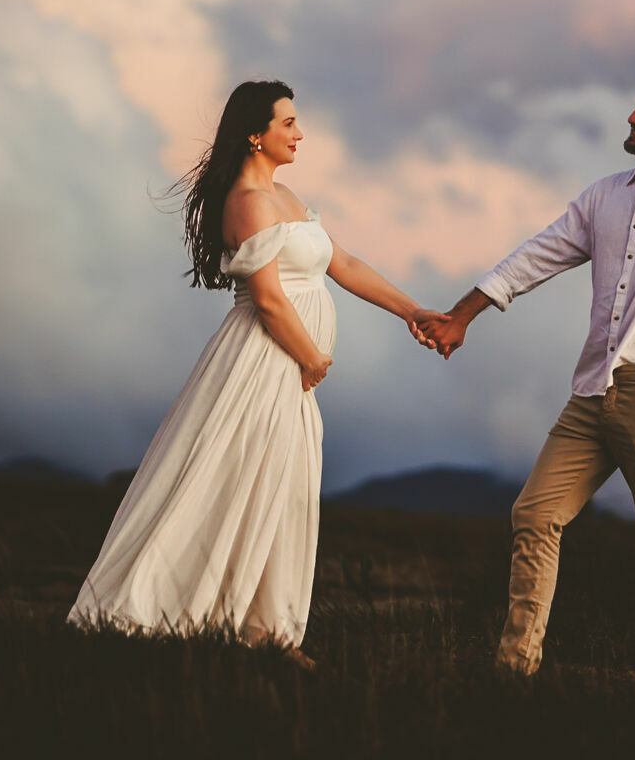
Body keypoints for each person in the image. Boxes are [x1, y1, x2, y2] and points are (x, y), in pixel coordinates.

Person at [68, 79, 433, 663]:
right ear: (255, 135)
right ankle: (194, 617)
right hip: (264, 361)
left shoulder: (285, 196)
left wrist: (412, 311)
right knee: (236, 482)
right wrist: (311, 356)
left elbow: (344, 264)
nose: (299, 132)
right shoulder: (248, 202)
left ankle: (269, 630)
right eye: (288, 122)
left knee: (284, 489)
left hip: (288, 366)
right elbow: (267, 299)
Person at [414, 72, 635, 697]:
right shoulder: (603, 196)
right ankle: (514, 671)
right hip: (593, 390)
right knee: (535, 513)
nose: (630, 118)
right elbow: (536, 255)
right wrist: (462, 315)